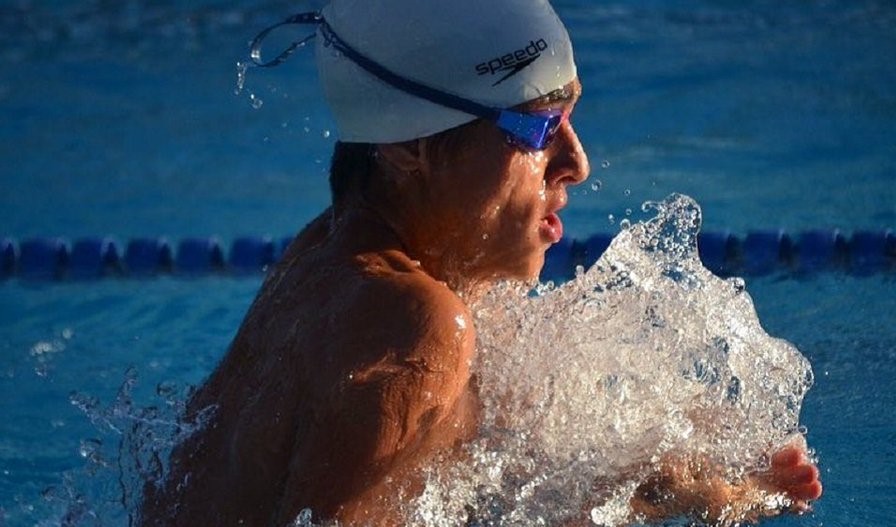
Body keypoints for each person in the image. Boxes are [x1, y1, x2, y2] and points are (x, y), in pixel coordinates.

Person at [140, 1, 821, 525]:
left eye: (570, 119)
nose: (576, 163)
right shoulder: (417, 325)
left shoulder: (325, 256)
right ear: (407, 148)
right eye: (538, 128)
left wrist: (660, 483)